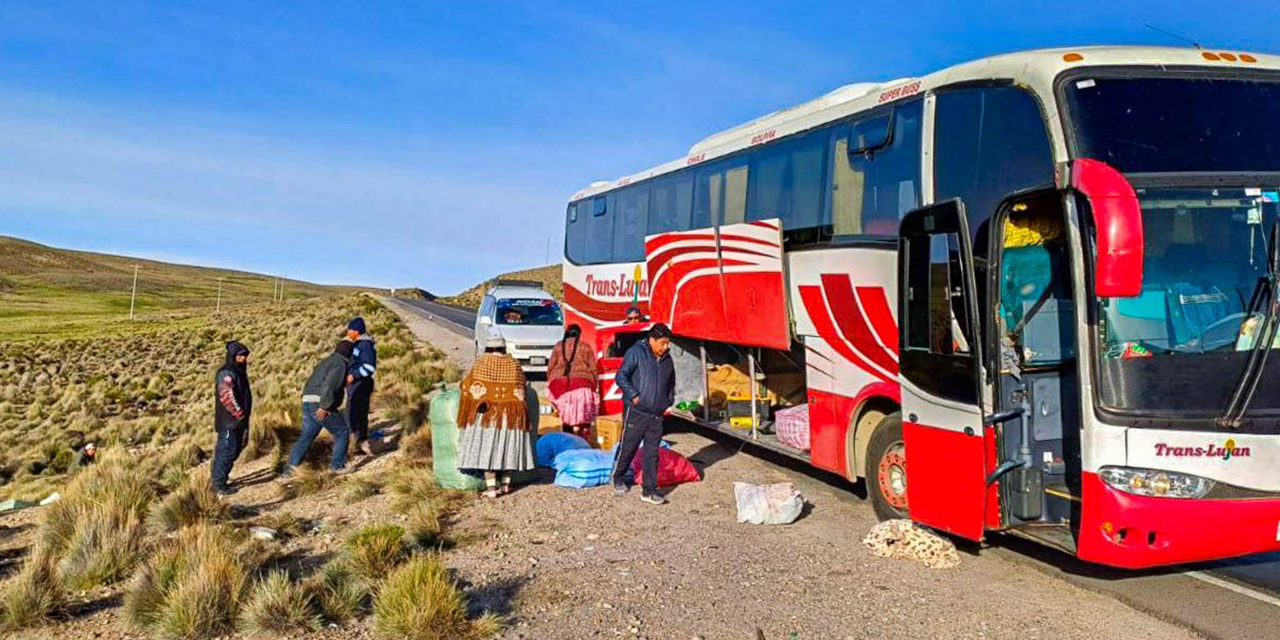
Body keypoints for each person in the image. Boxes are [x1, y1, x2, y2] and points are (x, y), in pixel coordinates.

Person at [456, 330, 536, 498]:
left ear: (488, 348)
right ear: (503, 348)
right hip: (512, 416)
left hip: (489, 416)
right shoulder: (513, 363)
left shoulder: (482, 362)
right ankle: (506, 485)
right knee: (507, 450)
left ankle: (491, 489)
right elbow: (522, 385)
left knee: (488, 451)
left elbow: (469, 386)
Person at [611, 323, 676, 505]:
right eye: (662, 343)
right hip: (636, 410)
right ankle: (619, 476)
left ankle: (649, 490)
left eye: (667, 343)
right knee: (629, 446)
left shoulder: (667, 359)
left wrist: (667, 401)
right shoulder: (637, 352)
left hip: (656, 413)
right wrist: (635, 395)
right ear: (652, 340)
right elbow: (621, 376)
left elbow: (671, 383)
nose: (666, 347)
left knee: (652, 453)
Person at [286, 340, 353, 475]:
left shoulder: (327, 361)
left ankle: (288, 472)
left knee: (306, 436)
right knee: (342, 432)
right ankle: (337, 466)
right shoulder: (340, 364)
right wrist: (324, 406)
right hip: (319, 402)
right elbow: (329, 386)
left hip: (307, 400)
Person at [212, 341, 252, 495]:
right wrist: (239, 414)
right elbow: (226, 396)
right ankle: (218, 485)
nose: (243, 359)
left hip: (238, 421)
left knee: (234, 450)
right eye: (240, 355)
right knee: (227, 451)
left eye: (245, 355)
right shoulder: (227, 373)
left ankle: (220, 478)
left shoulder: (238, 371)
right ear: (233, 356)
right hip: (230, 421)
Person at [547, 324, 600, 440]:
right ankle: (582, 442)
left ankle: (567, 440)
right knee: (582, 420)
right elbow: (593, 368)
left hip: (560, 386)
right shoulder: (585, 347)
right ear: (579, 335)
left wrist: (550, 382)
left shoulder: (558, 347)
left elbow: (551, 367)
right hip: (583, 386)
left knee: (566, 418)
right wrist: (594, 386)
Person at [344, 317, 377, 456]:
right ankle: (355, 440)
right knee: (354, 412)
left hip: (361, 385)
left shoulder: (365, 345)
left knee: (357, 412)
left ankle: (358, 441)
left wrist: (354, 376)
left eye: (350, 329)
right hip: (355, 385)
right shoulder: (358, 344)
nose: (348, 332)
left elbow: (369, 367)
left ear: (356, 331)